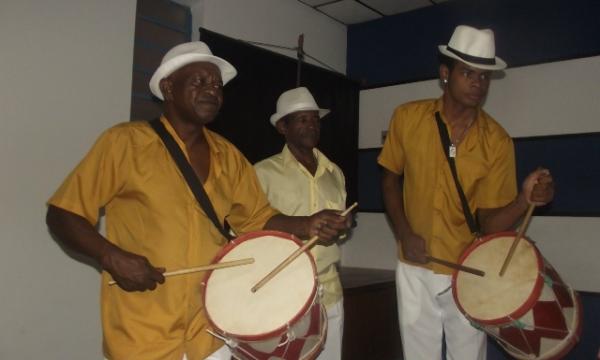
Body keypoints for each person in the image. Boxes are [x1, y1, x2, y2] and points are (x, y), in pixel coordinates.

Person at [45, 41, 350, 360]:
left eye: (217, 84)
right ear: (168, 87)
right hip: (144, 333)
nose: (212, 90)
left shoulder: (229, 156)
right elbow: (63, 213)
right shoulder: (125, 143)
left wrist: (308, 223)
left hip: (211, 331)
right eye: (199, 81)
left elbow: (258, 220)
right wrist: (110, 256)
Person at [379, 25, 555, 360]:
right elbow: (389, 180)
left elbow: (489, 223)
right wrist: (403, 233)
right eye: (468, 73)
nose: (478, 83)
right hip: (414, 267)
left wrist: (523, 200)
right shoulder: (407, 118)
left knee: (468, 356)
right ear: (445, 74)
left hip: (469, 270)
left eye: (485, 76)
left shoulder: (498, 142)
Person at [254, 87, 347, 359]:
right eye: (302, 119)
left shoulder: (335, 173)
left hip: (329, 291)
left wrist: (340, 227)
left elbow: (336, 235)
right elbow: (248, 229)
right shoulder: (262, 173)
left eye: (315, 119)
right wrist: (304, 224)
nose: (312, 126)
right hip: (282, 294)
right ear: (283, 127)